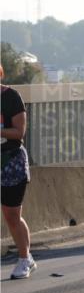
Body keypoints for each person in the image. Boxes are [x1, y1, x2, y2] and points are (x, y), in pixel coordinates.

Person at [2, 66, 35, 280]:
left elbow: (19, 132)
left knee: (12, 215)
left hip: (10, 161)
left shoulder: (11, 97)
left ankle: (25, 259)